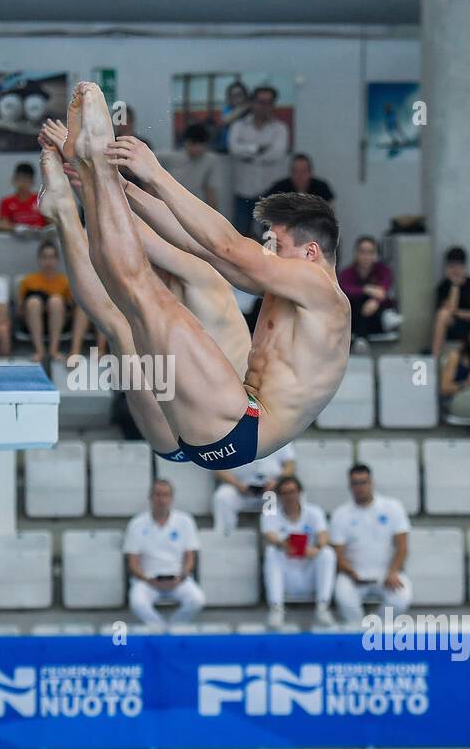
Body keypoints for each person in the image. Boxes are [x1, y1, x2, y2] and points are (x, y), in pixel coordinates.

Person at [99, 84, 350, 472]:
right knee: (134, 310)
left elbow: (230, 245)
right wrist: (127, 186)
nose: (269, 250)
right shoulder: (286, 287)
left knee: (157, 302)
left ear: (311, 252)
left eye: (278, 244)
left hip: (242, 428)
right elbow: (202, 246)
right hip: (219, 425)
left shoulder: (323, 292)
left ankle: (77, 205)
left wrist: (157, 174)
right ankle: (94, 187)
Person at [38, 119, 250, 465]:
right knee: (121, 322)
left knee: (123, 324)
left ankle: (64, 214)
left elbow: (138, 238)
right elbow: (126, 238)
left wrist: (85, 168)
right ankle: (62, 214)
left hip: (221, 425)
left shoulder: (204, 275)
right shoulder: (181, 279)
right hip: (182, 433)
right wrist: (87, 179)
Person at [329, 465, 412, 623]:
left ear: (372, 483)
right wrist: (351, 572)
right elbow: (338, 554)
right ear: (349, 486)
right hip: (353, 574)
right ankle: (358, 632)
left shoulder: (393, 507)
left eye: (363, 482)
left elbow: (402, 546)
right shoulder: (340, 514)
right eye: (355, 483)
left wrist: (393, 571)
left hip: (387, 573)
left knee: (401, 598)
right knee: (344, 598)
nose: (360, 487)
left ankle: (376, 631)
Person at [123, 479, 205, 630]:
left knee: (197, 600)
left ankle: (171, 628)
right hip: (147, 580)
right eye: (157, 495)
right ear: (150, 497)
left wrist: (181, 576)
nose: (161, 499)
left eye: (166, 495)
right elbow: (133, 562)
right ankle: (162, 630)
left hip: (177, 579)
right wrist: (148, 579)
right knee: (137, 602)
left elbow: (190, 557)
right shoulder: (136, 524)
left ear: (172, 498)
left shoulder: (185, 521)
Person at [260, 476, 338, 630]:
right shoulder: (269, 514)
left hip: (308, 573)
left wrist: (316, 547)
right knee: (271, 552)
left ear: (300, 493)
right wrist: (285, 544)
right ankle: (276, 607)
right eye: (285, 493)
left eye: (292, 492)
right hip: (286, 573)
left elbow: (323, 534)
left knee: (327, 553)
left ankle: (323, 606)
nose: (290, 496)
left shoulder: (314, 512)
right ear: (280, 496)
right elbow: (270, 535)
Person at [225, 85, 289, 236]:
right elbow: (234, 149)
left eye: (268, 102)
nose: (263, 106)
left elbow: (277, 153)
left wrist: (247, 153)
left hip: (270, 191)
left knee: (271, 239)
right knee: (241, 236)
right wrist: (259, 149)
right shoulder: (238, 126)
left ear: (273, 105)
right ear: (252, 102)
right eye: (260, 101)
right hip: (243, 190)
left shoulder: (280, 128)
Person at [18, 238, 89, 363]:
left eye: (51, 257)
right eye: (44, 257)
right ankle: (40, 350)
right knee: (34, 302)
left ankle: (54, 350)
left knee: (56, 302)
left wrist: (55, 307)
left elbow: (72, 309)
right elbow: (21, 312)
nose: (48, 261)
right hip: (34, 321)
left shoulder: (65, 282)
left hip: (59, 321)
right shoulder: (28, 281)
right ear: (39, 259)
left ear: (57, 260)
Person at [211, 442, 296, 534]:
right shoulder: (228, 434)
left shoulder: (279, 434)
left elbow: (290, 465)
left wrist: (277, 482)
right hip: (239, 489)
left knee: (279, 497)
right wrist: (237, 484)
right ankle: (225, 536)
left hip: (270, 491)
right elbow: (217, 468)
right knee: (223, 497)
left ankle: (273, 537)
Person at [338, 235, 401, 339]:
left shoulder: (383, 270)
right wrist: (366, 289)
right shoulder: (347, 273)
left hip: (376, 315)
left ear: (376, 254)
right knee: (358, 301)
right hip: (355, 315)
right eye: (362, 252)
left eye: (370, 252)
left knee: (369, 303)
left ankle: (360, 338)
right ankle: (360, 338)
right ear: (356, 253)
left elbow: (382, 291)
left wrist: (376, 301)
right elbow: (345, 289)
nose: (366, 256)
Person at [163, 123, 217, 207]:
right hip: (172, 204)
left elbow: (210, 190)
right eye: (193, 144)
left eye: (200, 144)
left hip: (197, 205)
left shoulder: (209, 160)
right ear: (186, 142)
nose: (197, 148)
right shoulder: (171, 157)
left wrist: (215, 215)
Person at [0, 162, 47, 232]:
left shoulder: (42, 200)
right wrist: (19, 229)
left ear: (32, 182)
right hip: (16, 239)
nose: (22, 184)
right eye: (19, 179)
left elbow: (51, 223)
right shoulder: (6, 201)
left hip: (41, 239)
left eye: (26, 180)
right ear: (13, 180)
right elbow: (4, 224)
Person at [263, 153, 335, 205]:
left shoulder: (321, 188)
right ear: (290, 172)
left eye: (303, 171)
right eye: (295, 171)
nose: (299, 176)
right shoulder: (279, 188)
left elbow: (331, 216)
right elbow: (264, 208)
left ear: (310, 173)